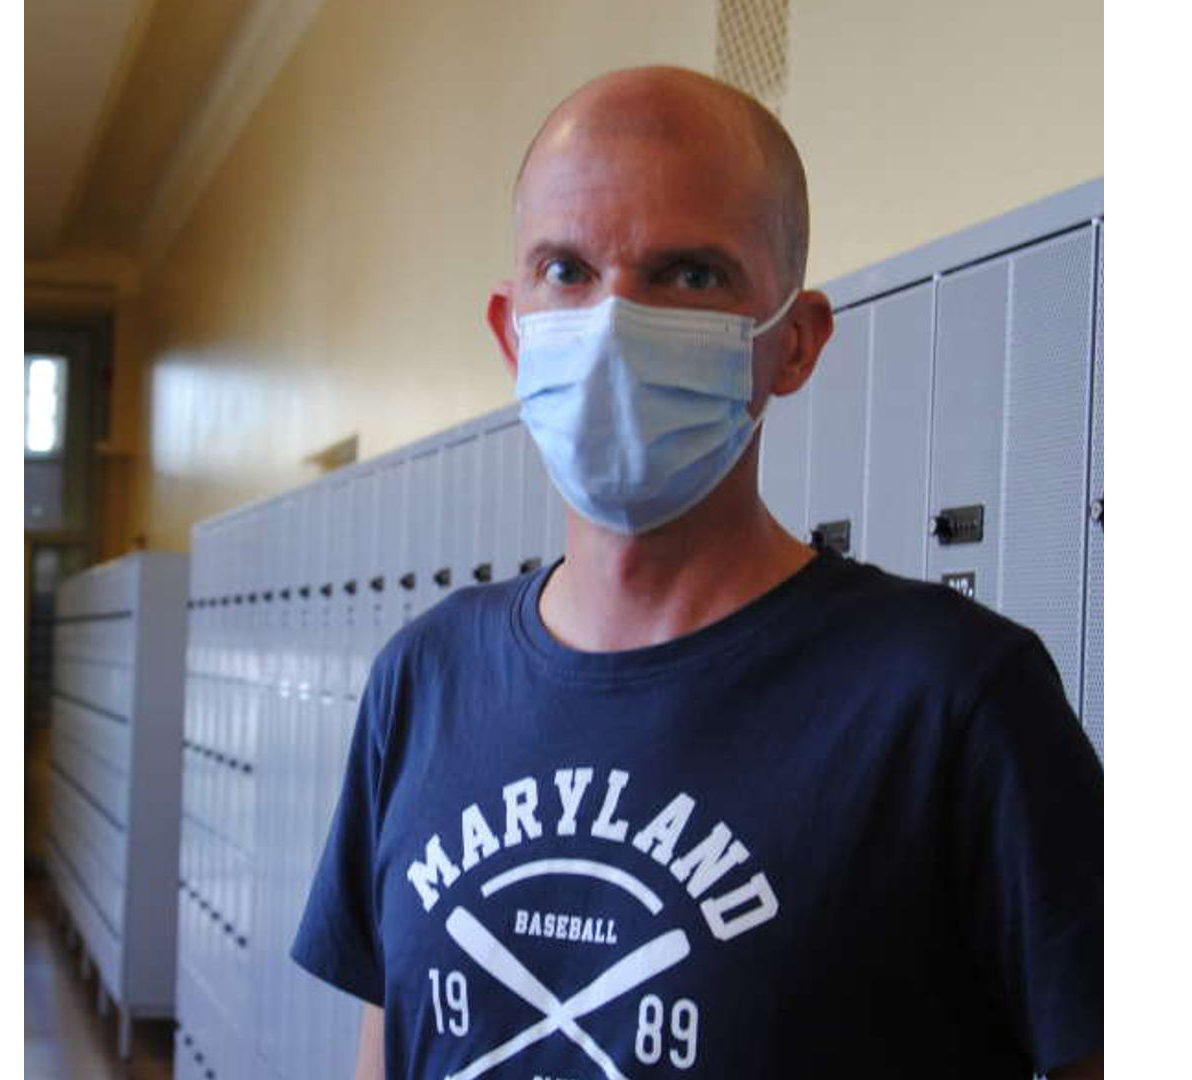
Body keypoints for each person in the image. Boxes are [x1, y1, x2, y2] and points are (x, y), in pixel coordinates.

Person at [292, 65, 1103, 1079]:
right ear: (511, 332)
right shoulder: (423, 677)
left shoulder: (952, 702)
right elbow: (389, 1044)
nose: (612, 326)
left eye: (689, 275)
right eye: (566, 269)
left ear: (794, 343)